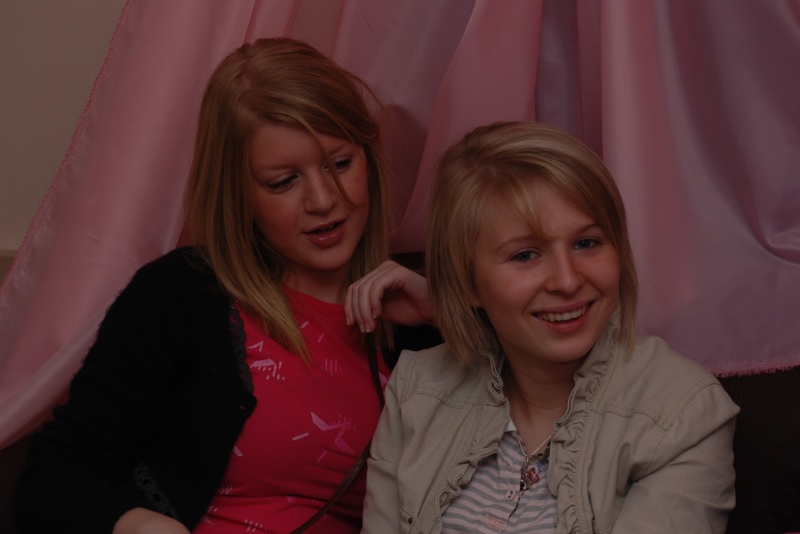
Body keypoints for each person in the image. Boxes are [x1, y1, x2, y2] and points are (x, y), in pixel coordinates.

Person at [13, 37, 431, 534]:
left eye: (340, 164)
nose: (323, 200)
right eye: (283, 182)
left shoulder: (418, 317)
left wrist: (446, 315)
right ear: (237, 193)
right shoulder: (180, 294)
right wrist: (140, 526)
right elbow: (50, 480)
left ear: (369, 158)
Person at [358, 121, 740, 533]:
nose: (568, 281)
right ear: (467, 282)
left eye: (586, 243)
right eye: (525, 255)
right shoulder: (416, 390)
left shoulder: (683, 414)